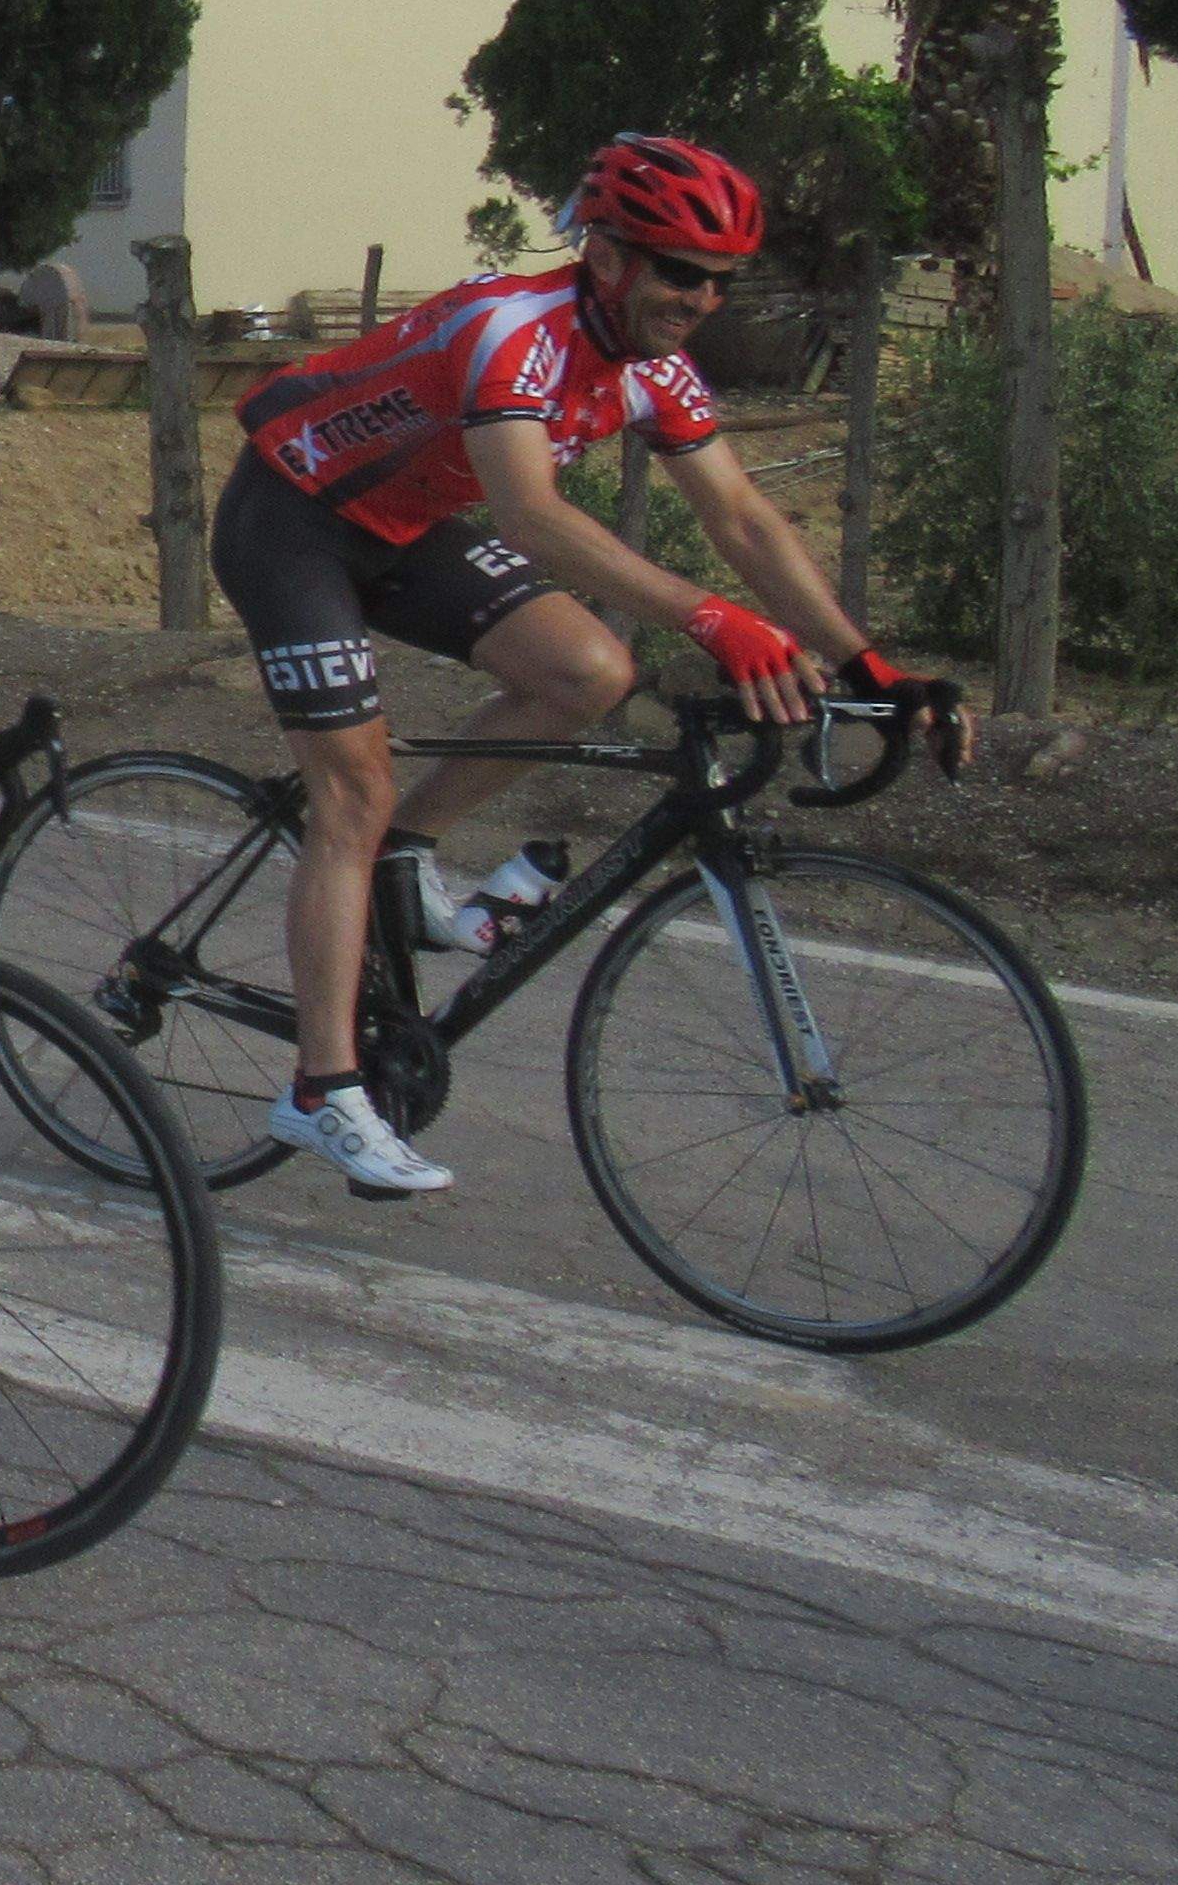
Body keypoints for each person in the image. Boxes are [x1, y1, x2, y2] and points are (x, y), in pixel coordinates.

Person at [212, 130, 931, 1198]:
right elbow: (533, 515)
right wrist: (713, 621)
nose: (702, 299)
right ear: (606, 256)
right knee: (349, 793)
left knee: (591, 673)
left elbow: (739, 514)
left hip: (404, 525)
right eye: (682, 272)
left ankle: (404, 859)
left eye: (722, 282)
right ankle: (323, 1088)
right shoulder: (516, 329)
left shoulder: (656, 369)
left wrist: (865, 660)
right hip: (295, 519)